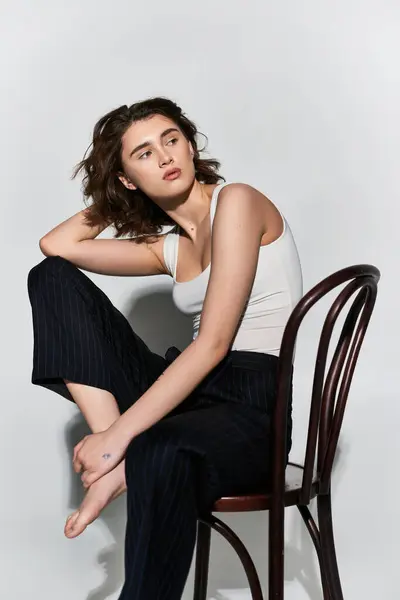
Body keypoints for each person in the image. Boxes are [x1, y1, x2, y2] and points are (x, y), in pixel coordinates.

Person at [27, 96, 303, 599]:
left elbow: (215, 344)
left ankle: (119, 456)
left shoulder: (237, 201)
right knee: (51, 279)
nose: (166, 157)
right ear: (129, 178)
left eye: (171, 140)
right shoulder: (169, 248)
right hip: (191, 395)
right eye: (144, 154)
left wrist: (119, 439)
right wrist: (114, 196)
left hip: (252, 409)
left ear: (190, 145)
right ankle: (118, 457)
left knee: (157, 447)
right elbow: (57, 246)